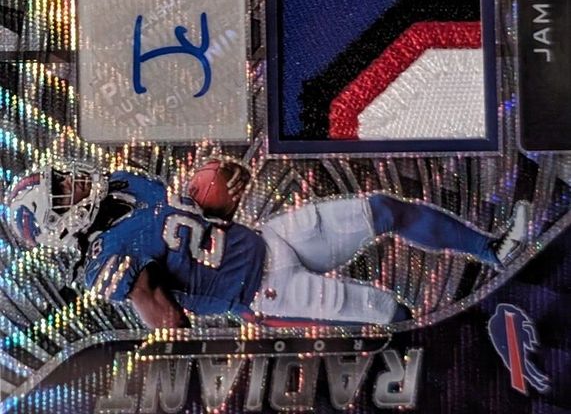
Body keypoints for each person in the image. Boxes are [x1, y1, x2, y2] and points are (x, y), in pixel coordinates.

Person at [5, 163, 529, 328]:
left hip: (268, 237)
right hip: (263, 292)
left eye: (62, 178)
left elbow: (193, 225)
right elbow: (170, 326)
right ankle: (477, 334)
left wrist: (213, 195)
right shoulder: (101, 261)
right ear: (57, 221)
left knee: (383, 209)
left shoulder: (123, 185)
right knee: (388, 313)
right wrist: (145, 293)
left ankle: (494, 249)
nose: (72, 181)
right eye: (61, 189)